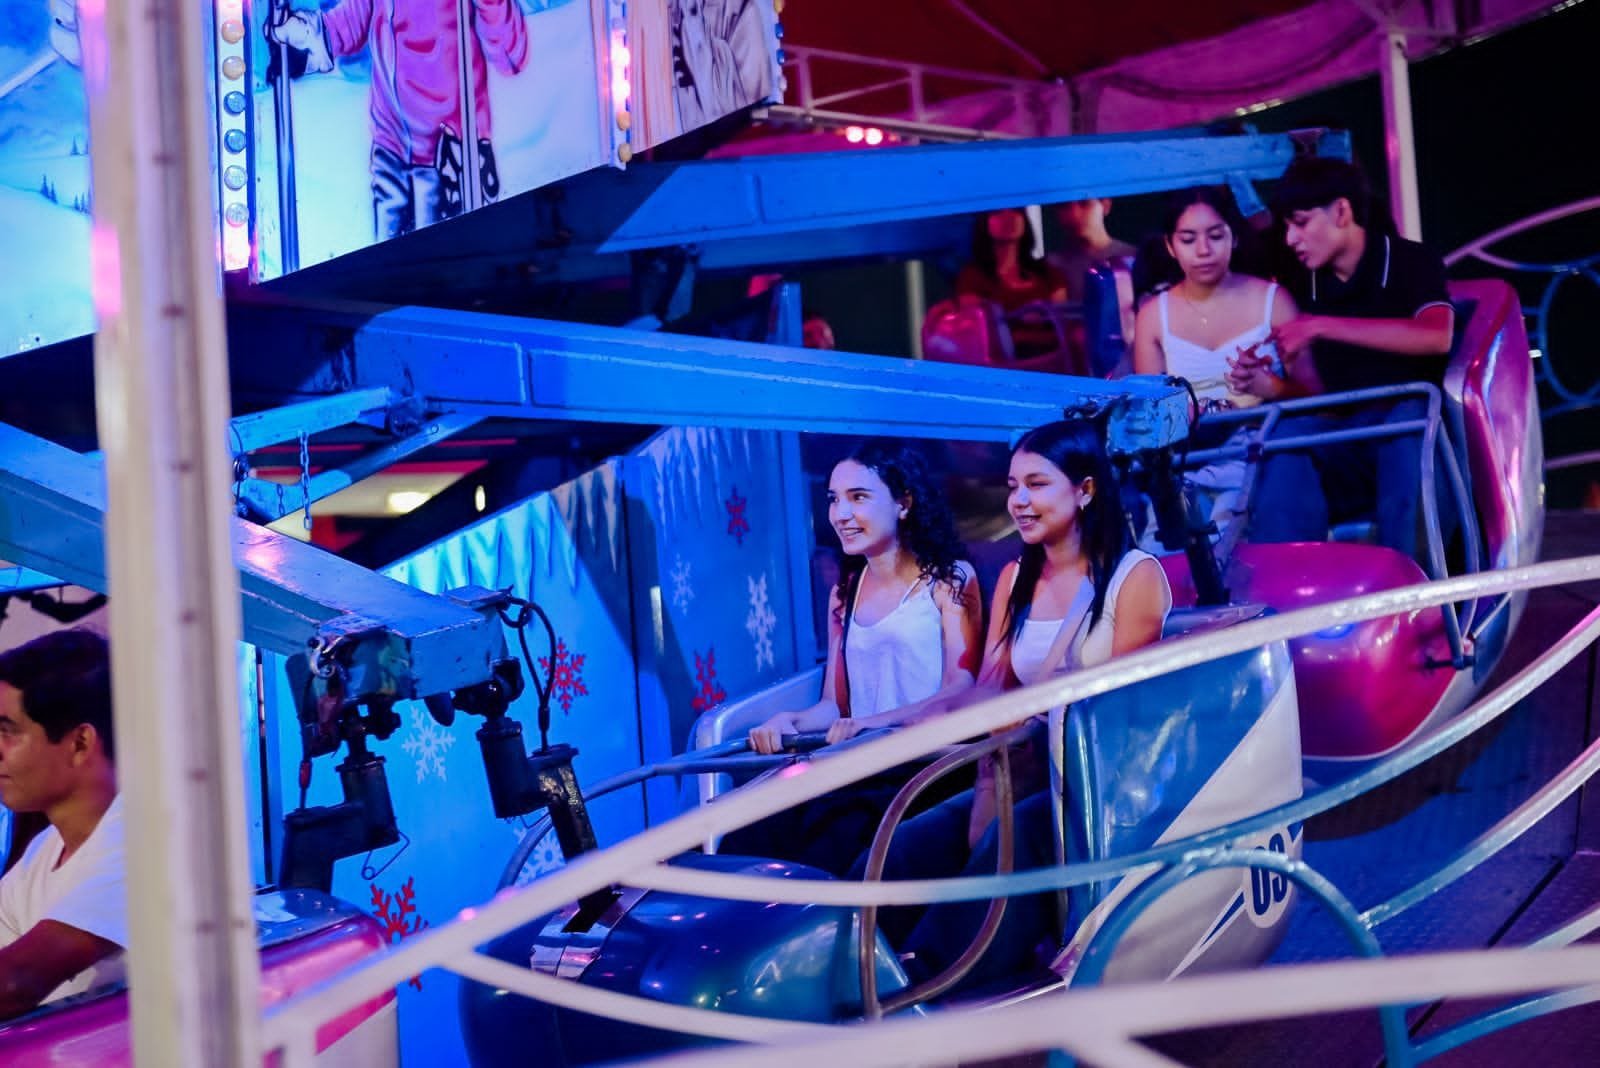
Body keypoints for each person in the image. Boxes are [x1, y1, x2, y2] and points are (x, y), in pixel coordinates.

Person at [859, 418, 1171, 995]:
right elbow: (991, 686)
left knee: (1016, 839)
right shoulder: (1014, 577)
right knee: (903, 842)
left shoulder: (1136, 577)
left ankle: (920, 982)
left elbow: (1120, 711)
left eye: (1036, 484)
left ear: (1085, 490)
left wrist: (1025, 720)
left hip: (1097, 786)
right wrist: (907, 723)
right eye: (1012, 487)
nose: (1019, 501)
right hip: (1020, 768)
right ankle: (845, 965)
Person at [732, 442, 982, 874]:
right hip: (861, 764)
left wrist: (873, 724)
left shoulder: (950, 579)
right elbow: (835, 705)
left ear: (903, 503)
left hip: (924, 766)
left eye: (858, 497)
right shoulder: (844, 594)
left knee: (833, 838)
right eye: (834, 499)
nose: (841, 514)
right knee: (747, 830)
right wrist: (790, 721)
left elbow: (960, 691)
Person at [1228, 157, 1455, 559]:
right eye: (1287, 227)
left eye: (1301, 223)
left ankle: (1414, 582)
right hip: (1345, 439)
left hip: (1412, 434)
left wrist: (1321, 325)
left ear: (1342, 212)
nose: (1291, 239)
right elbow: (1319, 400)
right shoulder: (1303, 279)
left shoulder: (1410, 260)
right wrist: (1269, 385)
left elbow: (1436, 336)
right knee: (1283, 436)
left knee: (1407, 422)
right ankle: (1290, 580)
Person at [266, 0, 529, 240]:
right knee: (386, 260)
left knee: (439, 260)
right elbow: (355, 17)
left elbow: (510, 55)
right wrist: (308, 37)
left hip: (447, 158)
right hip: (390, 149)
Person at [1131, 187, 1300, 540]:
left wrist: (1271, 388)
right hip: (1186, 459)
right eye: (1188, 239)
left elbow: (1317, 398)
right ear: (1170, 246)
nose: (1204, 250)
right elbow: (1148, 414)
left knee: (1231, 535)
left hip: (1260, 450)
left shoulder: (1274, 301)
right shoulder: (1153, 315)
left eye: (1215, 235)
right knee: (1163, 545)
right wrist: (1184, 414)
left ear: (1234, 237)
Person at [0, 629, 124, 1018]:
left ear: (80, 743)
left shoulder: (144, 839)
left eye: (7, 731)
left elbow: (15, 982)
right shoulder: (45, 850)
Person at [955, 209, 1069, 313]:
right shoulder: (971, 278)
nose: (1008, 217)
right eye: (997, 211)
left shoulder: (1049, 274)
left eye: (1015, 210)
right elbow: (975, 320)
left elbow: (1062, 320)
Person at [1048, 198, 1136, 305]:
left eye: (1084, 204)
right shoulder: (1051, 266)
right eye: (1064, 206)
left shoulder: (1134, 258)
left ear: (1105, 206)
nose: (1075, 215)